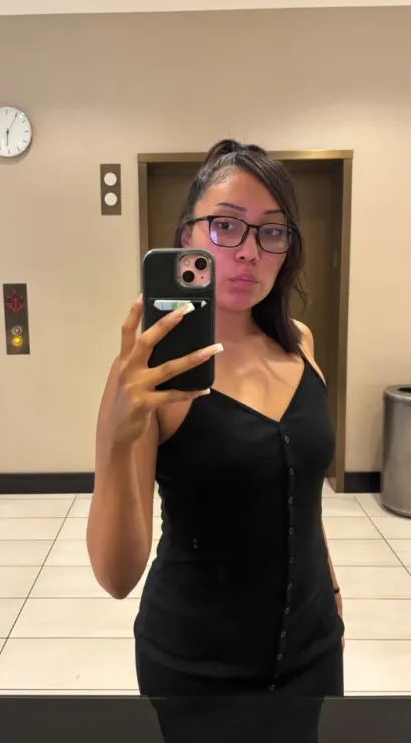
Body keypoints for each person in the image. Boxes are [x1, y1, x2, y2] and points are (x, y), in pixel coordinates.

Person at [87, 140, 345, 713]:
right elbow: (116, 576)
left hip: (313, 651)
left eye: (272, 231)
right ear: (188, 237)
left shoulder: (300, 344)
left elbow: (303, 499)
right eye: (225, 226)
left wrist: (329, 588)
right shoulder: (148, 374)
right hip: (195, 669)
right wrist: (117, 438)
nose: (249, 251)